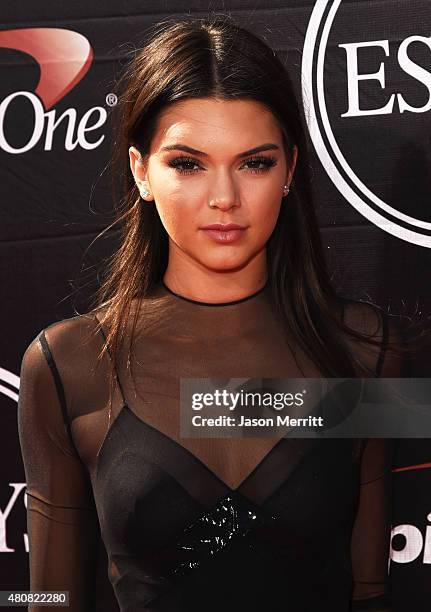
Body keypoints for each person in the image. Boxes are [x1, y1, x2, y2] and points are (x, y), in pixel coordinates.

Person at [18, 14, 407, 612]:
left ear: (290, 171)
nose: (224, 197)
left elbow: (371, 591)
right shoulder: (69, 363)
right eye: (188, 163)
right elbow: (46, 599)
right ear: (141, 171)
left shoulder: (365, 349)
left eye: (254, 162)